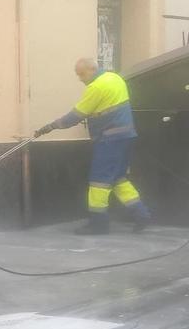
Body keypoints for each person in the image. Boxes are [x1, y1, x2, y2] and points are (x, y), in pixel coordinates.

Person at [35, 58, 152, 235]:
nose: (80, 78)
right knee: (119, 178)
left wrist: (50, 127)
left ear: (92, 69)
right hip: (126, 137)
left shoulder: (96, 87)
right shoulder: (115, 78)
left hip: (109, 140)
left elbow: (75, 116)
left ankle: (99, 224)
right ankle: (141, 214)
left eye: (81, 74)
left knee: (99, 181)